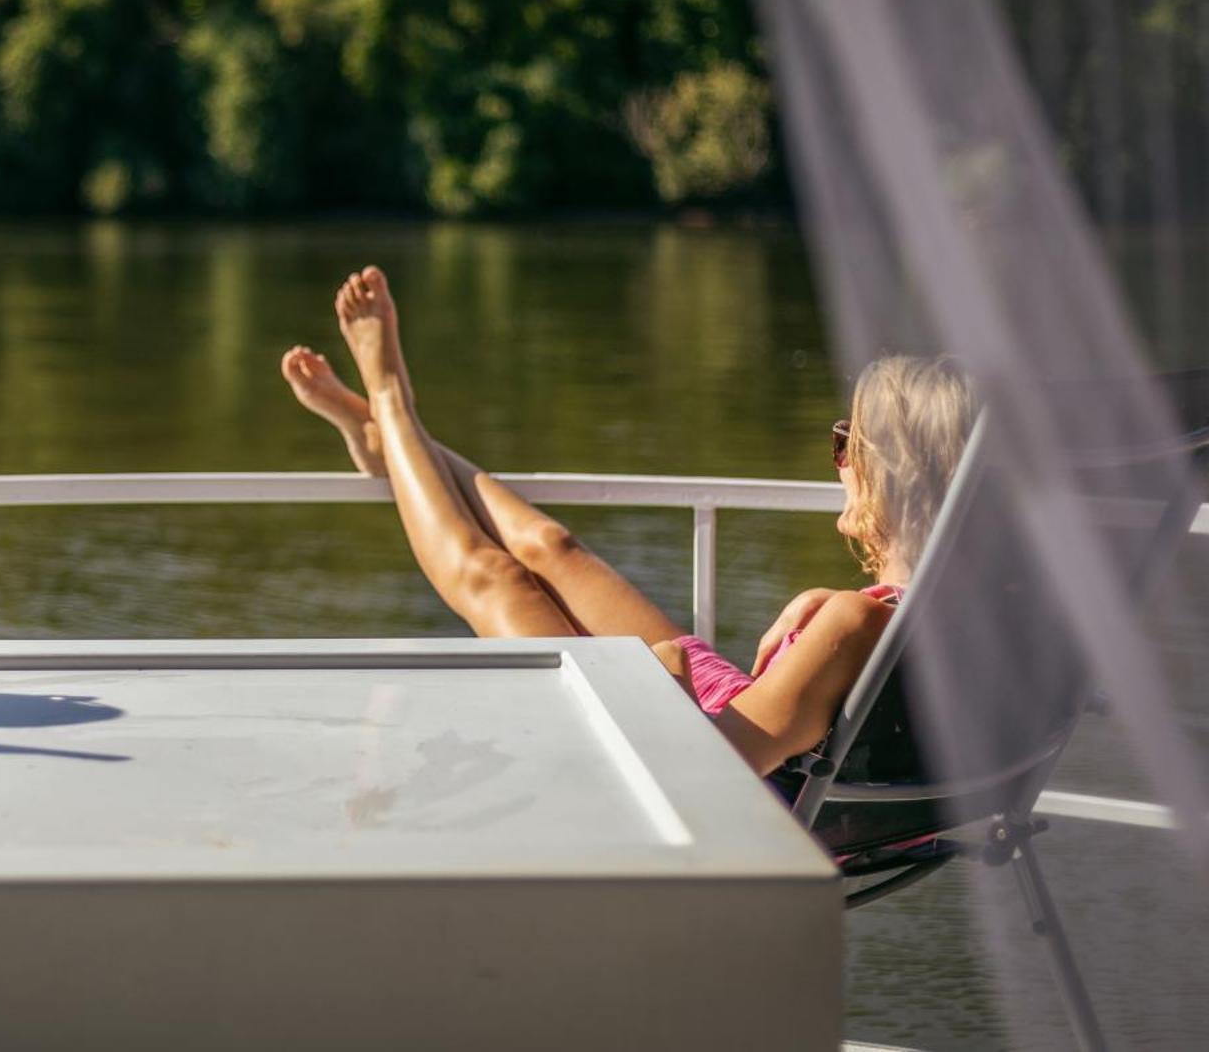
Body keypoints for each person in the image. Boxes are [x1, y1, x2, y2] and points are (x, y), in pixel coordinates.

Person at [280, 264, 977, 775]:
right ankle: (399, 452)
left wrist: (667, 676)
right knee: (554, 547)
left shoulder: (856, 624)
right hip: (719, 699)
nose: (838, 464)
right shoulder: (962, 617)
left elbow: (716, 772)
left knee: (494, 578)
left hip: (670, 749)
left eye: (844, 445)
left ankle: (392, 404)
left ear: (895, 480)